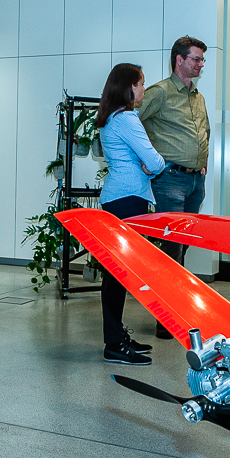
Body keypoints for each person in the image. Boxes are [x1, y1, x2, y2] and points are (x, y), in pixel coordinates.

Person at [137, 35, 211, 339]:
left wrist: (202, 159)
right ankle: (166, 318)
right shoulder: (160, 93)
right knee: (171, 249)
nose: (200, 64)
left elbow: (203, 130)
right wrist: (143, 158)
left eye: (202, 60)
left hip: (196, 181)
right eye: (196, 59)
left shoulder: (198, 96)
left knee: (182, 246)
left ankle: (175, 308)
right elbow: (130, 123)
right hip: (170, 179)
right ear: (179, 59)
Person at [96, 63, 166, 366]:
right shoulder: (126, 119)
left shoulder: (113, 118)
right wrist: (152, 165)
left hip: (121, 198)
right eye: (140, 84)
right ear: (128, 87)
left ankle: (117, 337)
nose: (143, 89)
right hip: (127, 200)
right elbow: (155, 161)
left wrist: (146, 166)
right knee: (116, 276)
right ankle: (114, 344)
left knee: (118, 275)